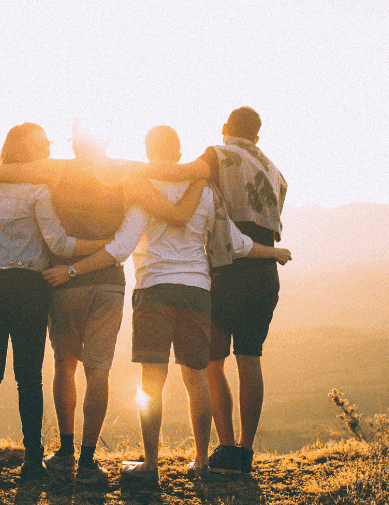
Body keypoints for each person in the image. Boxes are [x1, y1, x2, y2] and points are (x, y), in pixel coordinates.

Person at [43, 125, 291, 484]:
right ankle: (202, 462)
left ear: (148, 151)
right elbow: (235, 243)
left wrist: (72, 269)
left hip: (153, 290)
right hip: (196, 292)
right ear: (179, 154)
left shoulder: (142, 189)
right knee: (197, 380)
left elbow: (121, 247)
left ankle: (151, 464)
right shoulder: (205, 191)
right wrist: (274, 252)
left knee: (152, 382)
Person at [0, 119, 207, 483]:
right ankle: (89, 461)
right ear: (106, 141)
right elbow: (170, 186)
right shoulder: (123, 171)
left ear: (74, 144)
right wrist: (200, 172)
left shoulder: (56, 170)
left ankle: (66, 451)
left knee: (65, 365)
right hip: (109, 282)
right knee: (98, 372)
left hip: (64, 280)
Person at [132, 107, 289, 475]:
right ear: (258, 137)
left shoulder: (218, 155)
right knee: (250, 359)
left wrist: (127, 170)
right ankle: (244, 454)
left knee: (211, 364)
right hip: (263, 270)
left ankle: (225, 448)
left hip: (227, 269)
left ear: (224, 129)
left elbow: (181, 173)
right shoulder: (275, 171)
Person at [0, 123, 111, 482]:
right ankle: (33, 459)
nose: (49, 146)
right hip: (28, 288)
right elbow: (60, 245)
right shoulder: (38, 191)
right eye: (42, 143)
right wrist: (103, 246)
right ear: (28, 151)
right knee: (28, 376)